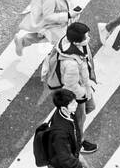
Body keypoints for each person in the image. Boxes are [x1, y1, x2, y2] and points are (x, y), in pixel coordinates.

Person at [35, 89, 111, 168]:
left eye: (74, 101)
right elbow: (64, 157)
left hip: (72, 154)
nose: (76, 104)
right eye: (72, 103)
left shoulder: (67, 113)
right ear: (64, 108)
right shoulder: (59, 132)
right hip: (59, 164)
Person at [41, 22, 100, 153]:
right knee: (80, 119)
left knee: (90, 108)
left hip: (82, 87)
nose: (88, 37)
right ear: (78, 42)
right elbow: (71, 86)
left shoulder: (72, 45)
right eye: (86, 36)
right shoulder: (70, 63)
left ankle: (65, 125)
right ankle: (78, 144)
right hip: (75, 94)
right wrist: (84, 93)